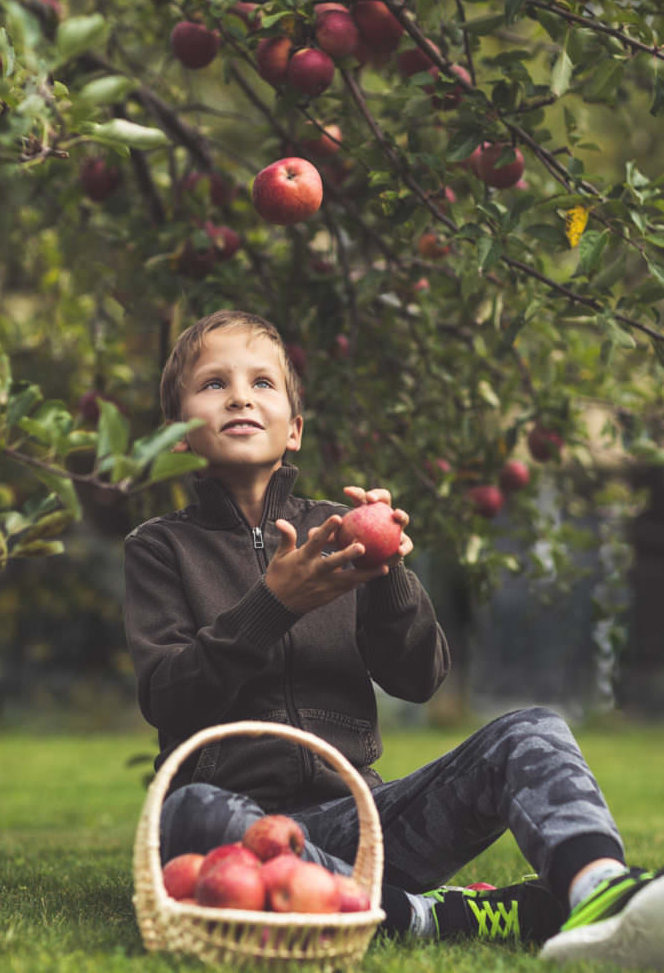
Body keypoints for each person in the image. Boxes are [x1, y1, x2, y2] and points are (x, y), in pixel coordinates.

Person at [124, 309, 663, 967]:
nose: (239, 394)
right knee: (187, 809)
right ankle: (427, 916)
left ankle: (599, 893)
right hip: (243, 833)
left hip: (363, 821)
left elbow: (419, 677)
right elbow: (167, 697)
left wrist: (389, 577)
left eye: (263, 382)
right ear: (179, 435)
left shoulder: (339, 530)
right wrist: (272, 605)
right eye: (213, 384)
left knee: (531, 731)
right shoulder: (160, 549)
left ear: (294, 430)